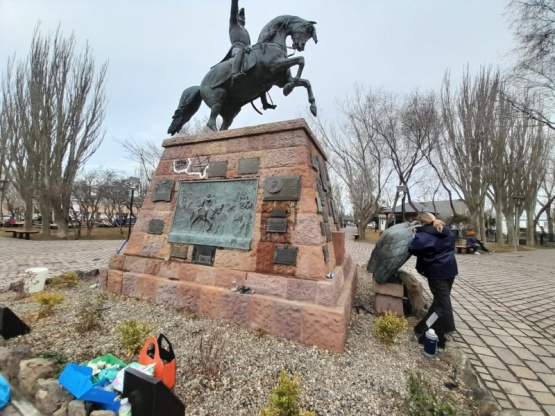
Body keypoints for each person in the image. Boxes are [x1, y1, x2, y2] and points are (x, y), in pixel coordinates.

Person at [409, 212, 458, 350]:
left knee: (440, 304)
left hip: (436, 273)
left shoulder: (422, 237)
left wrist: (414, 236)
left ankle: (423, 329)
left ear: (421, 222)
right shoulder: (445, 230)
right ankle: (443, 328)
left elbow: (413, 248)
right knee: (442, 300)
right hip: (450, 270)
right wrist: (419, 231)